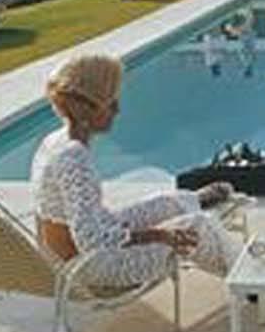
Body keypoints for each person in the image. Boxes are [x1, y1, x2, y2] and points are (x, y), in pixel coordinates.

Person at [32, 55, 240, 288]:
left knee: (164, 202)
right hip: (92, 268)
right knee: (197, 226)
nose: (118, 110)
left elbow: (78, 222)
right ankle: (248, 278)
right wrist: (159, 235)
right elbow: (92, 240)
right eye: (111, 103)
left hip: (76, 250)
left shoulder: (55, 140)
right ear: (88, 108)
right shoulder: (74, 158)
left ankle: (195, 200)